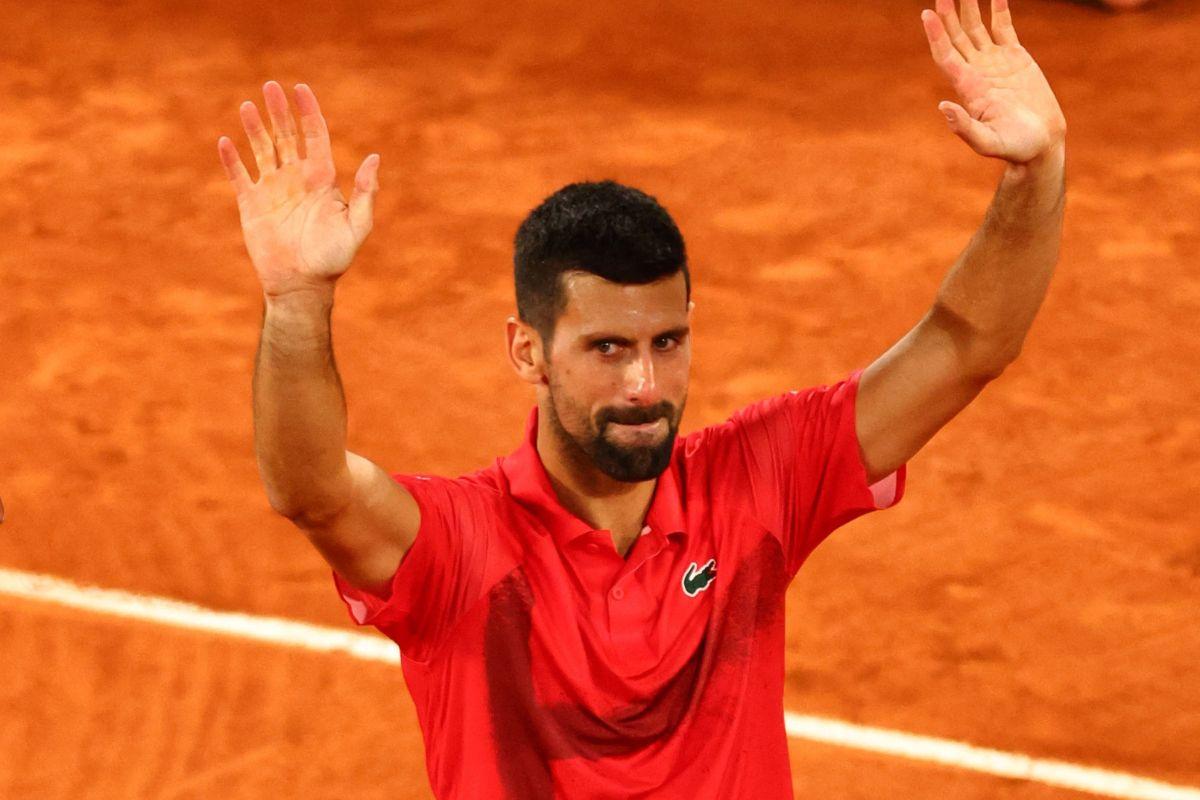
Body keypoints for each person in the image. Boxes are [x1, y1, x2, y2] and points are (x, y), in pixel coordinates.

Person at [217, 0, 1065, 796]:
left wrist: (1036, 173)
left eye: (667, 342)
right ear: (528, 352)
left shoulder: (756, 483)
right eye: (607, 349)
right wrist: (297, 304)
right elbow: (312, 490)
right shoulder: (462, 549)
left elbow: (964, 347)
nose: (645, 386)